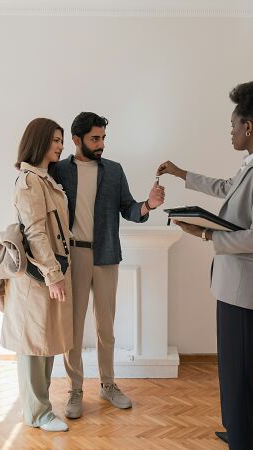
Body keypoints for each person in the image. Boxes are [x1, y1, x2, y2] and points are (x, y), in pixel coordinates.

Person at [157, 79, 253, 450]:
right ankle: (241, 430)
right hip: (233, 283)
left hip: (246, 285)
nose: (230, 131)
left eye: (233, 124)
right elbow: (226, 188)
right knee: (233, 365)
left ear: (249, 126)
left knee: (242, 367)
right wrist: (183, 174)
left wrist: (205, 234)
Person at [51, 112, 165, 419]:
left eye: (103, 138)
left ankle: (108, 384)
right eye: (94, 138)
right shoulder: (57, 170)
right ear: (77, 140)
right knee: (72, 328)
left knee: (106, 327)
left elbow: (129, 208)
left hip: (105, 255)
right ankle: (75, 389)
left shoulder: (114, 171)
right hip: (72, 257)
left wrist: (148, 205)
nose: (101, 144)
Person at [0, 117, 74, 432]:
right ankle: (36, 413)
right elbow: (36, 233)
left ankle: (41, 409)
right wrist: (53, 275)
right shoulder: (29, 181)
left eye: (61, 140)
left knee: (45, 339)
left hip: (47, 272)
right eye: (56, 140)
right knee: (32, 344)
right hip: (38, 275)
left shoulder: (44, 178)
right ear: (40, 140)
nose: (60, 145)